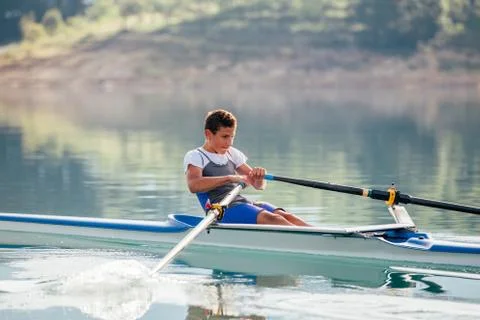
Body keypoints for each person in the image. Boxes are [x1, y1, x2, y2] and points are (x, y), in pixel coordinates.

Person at [183, 109, 310, 226]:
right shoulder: (196, 156)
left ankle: (324, 238)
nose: (229, 142)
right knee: (274, 219)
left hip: (241, 203)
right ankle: (310, 243)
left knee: (285, 215)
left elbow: (258, 186)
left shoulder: (232, 153)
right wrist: (229, 178)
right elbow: (193, 185)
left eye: (232, 136)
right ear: (208, 134)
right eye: (225, 137)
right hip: (220, 210)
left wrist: (259, 177)